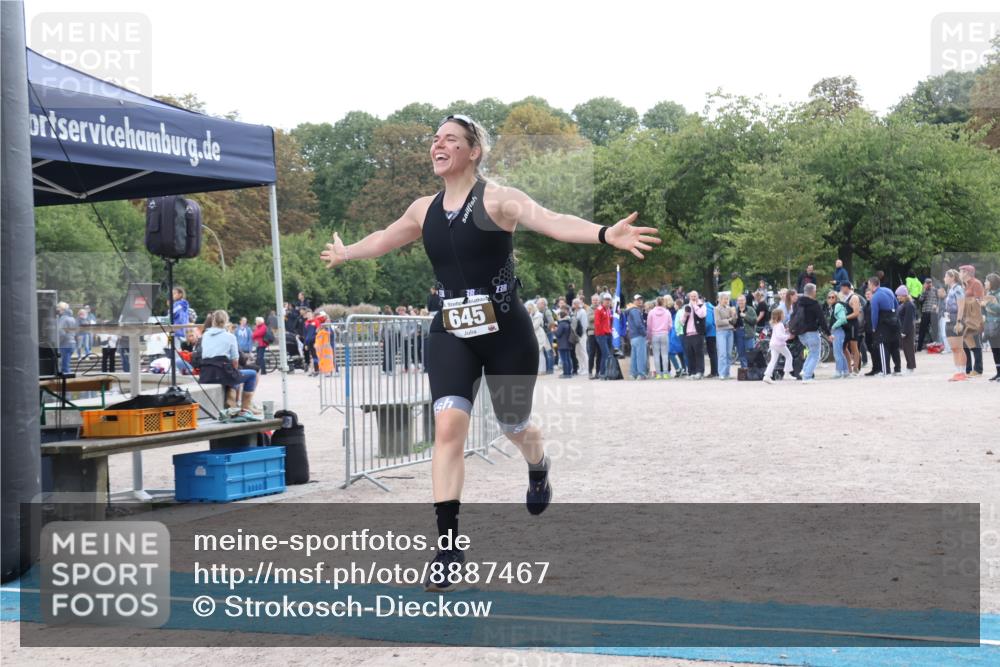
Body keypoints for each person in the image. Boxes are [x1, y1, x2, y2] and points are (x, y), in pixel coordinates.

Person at [320, 114, 659, 589]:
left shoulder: (499, 199)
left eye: (450, 140)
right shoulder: (424, 209)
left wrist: (607, 233)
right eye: (435, 139)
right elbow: (385, 237)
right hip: (450, 330)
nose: (438, 145)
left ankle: (538, 466)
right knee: (448, 426)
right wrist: (348, 252)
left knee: (514, 426)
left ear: (473, 150)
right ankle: (448, 545)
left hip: (506, 333)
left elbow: (553, 221)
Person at [199, 310, 260, 414]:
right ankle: (246, 406)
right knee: (251, 374)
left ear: (213, 321)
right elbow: (235, 360)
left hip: (206, 374)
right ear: (226, 321)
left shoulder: (205, 335)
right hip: (222, 373)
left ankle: (231, 398)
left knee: (233, 373)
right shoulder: (230, 337)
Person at [789, 283, 830, 382]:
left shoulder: (797, 303)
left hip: (801, 334)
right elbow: (822, 320)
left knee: (812, 352)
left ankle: (804, 370)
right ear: (813, 292)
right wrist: (828, 333)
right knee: (816, 354)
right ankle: (807, 376)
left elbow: (793, 317)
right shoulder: (814, 304)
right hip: (811, 332)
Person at [868, 276, 902, 376]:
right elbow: (896, 304)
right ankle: (898, 369)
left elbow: (874, 313)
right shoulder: (888, 290)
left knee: (883, 346)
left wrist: (874, 327)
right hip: (894, 320)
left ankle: (886, 371)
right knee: (895, 346)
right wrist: (894, 316)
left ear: (872, 284)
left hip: (883, 322)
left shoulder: (875, 297)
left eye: (869, 284)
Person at [959, 264, 985, 377]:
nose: (959, 274)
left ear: (967, 273)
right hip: (965, 317)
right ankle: (968, 369)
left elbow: (980, 301)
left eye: (961, 271)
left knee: (975, 344)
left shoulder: (976, 283)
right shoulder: (965, 285)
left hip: (974, 318)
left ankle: (978, 369)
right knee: (965, 344)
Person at [942, 269, 967, 382]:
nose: (944, 279)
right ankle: (959, 371)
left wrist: (958, 321)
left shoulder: (958, 289)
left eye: (946, 276)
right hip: (949, 318)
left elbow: (961, 306)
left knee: (958, 348)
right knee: (954, 348)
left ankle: (961, 372)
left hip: (955, 318)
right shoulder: (951, 288)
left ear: (952, 277)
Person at [678, 291, 707, 379]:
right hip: (688, 334)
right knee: (689, 354)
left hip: (698, 333)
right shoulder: (686, 307)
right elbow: (681, 322)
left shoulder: (702, 305)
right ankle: (691, 372)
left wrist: (695, 306)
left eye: (695, 296)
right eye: (692, 296)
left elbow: (702, 315)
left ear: (698, 297)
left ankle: (699, 372)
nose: (693, 298)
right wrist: (685, 315)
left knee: (698, 353)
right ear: (689, 297)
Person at [763, 309, 793, 384]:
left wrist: (785, 331)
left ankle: (767, 376)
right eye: (783, 314)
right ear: (780, 316)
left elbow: (778, 333)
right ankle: (787, 373)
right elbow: (779, 336)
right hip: (779, 344)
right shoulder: (780, 324)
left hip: (773, 344)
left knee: (773, 360)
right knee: (789, 356)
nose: (784, 315)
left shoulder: (775, 324)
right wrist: (788, 336)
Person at [647, 296, 673, 379]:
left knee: (656, 355)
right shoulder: (667, 312)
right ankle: (665, 373)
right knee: (665, 355)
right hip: (664, 334)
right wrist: (666, 330)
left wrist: (649, 336)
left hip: (655, 335)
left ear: (656, 303)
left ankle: (658, 373)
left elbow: (649, 326)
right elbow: (670, 325)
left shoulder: (651, 312)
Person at [826, 290, 849, 378]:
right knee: (839, 352)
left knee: (837, 352)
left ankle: (839, 372)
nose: (831, 299)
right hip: (836, 331)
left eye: (833, 297)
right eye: (829, 297)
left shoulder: (838, 305)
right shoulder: (831, 307)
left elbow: (843, 319)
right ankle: (845, 371)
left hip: (838, 331)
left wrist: (833, 326)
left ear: (836, 298)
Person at [982, 272, 1000, 382]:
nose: (984, 282)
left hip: (998, 326)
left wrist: (987, 304)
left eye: (986, 281)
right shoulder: (989, 293)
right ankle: (998, 373)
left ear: (992, 282)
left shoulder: (998, 294)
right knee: (995, 351)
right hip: (991, 326)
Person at [713, 292, 735, 380]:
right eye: (724, 299)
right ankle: (721, 373)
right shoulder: (716, 309)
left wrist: (734, 315)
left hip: (730, 332)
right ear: (720, 299)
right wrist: (729, 320)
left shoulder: (730, 308)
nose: (726, 300)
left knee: (729, 354)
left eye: (727, 299)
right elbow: (718, 322)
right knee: (722, 353)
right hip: (721, 332)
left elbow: (734, 322)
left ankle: (727, 373)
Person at [626, 294, 648, 379]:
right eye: (637, 299)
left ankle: (633, 374)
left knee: (634, 356)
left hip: (633, 336)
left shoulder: (631, 310)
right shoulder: (635, 311)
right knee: (640, 356)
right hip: (639, 335)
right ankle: (641, 374)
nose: (639, 301)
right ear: (633, 301)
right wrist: (644, 333)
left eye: (640, 299)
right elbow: (638, 324)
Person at [896, 285, 917, 373]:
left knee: (909, 348)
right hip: (904, 329)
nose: (897, 297)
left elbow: (908, 319)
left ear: (904, 295)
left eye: (899, 295)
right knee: (906, 348)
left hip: (907, 330)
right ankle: (909, 366)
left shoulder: (909, 305)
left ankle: (911, 367)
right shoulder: (904, 304)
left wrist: (904, 331)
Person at [734, 294, 757, 369]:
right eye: (739, 300)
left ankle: (751, 369)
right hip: (738, 333)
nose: (741, 302)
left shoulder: (750, 309)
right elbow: (733, 323)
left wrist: (745, 316)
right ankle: (744, 369)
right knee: (741, 352)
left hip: (749, 333)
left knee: (750, 352)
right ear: (737, 301)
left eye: (742, 300)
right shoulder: (735, 310)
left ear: (745, 301)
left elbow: (754, 321)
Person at [594, 293, 613, 379]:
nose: (608, 302)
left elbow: (610, 321)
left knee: (605, 354)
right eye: (606, 300)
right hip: (601, 335)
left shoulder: (608, 310)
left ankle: (604, 372)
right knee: (606, 354)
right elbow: (597, 323)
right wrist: (601, 333)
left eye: (609, 300)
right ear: (602, 300)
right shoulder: (599, 309)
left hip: (608, 334)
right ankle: (602, 373)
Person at [916, 278, 938, 351]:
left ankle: (935, 347)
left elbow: (939, 299)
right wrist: (924, 291)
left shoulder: (935, 290)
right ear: (925, 283)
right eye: (927, 283)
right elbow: (920, 301)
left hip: (933, 312)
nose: (929, 284)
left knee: (934, 330)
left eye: (930, 283)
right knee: (922, 330)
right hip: (925, 312)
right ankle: (919, 347)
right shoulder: (924, 291)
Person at [56, 302, 77, 375]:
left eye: (58, 308)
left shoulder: (63, 319)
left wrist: (57, 342)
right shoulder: (72, 318)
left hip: (65, 344)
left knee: (64, 367)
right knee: (66, 364)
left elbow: (61, 333)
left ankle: (67, 384)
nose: (57, 310)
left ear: (62, 309)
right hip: (72, 343)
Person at [555, 308, 574, 378]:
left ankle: (566, 373)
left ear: (560, 316)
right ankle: (569, 372)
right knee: (568, 358)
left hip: (562, 344)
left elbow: (558, 334)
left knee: (564, 360)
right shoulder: (567, 322)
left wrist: (554, 330)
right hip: (568, 343)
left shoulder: (561, 324)